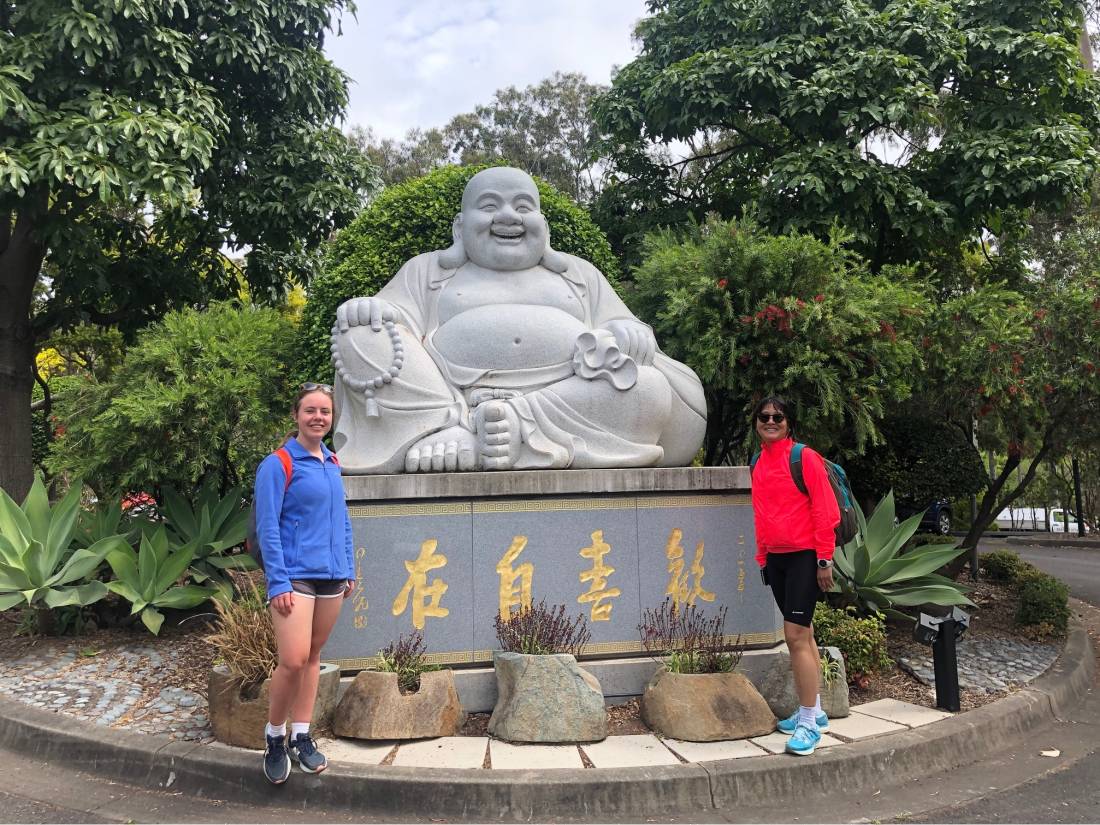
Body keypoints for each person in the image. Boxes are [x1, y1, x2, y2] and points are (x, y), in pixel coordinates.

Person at [329, 166, 707, 474]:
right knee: (361, 334)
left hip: (565, 401)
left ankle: (514, 424)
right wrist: (371, 309)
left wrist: (627, 331)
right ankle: (444, 429)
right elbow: (393, 320)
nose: (508, 216)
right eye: (490, 205)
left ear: (544, 226)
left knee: (650, 386)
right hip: (449, 396)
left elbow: (623, 328)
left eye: (523, 206)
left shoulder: (578, 274)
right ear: (460, 228)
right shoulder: (426, 272)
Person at [253, 382, 355, 784]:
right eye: (310, 410)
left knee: (313, 657)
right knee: (293, 659)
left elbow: (342, 520)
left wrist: (347, 567)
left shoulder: (331, 462)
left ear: (331, 419)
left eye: (325, 412)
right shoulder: (278, 463)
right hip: (295, 576)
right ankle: (274, 736)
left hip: (331, 577)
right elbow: (267, 527)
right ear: (296, 415)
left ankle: (302, 735)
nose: (318, 417)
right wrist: (276, 582)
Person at [750, 396, 840, 756]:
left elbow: (825, 511)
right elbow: (760, 513)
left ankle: (807, 725)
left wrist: (824, 559)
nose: (771, 421)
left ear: (789, 422)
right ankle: (814, 712)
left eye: (778, 417)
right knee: (806, 634)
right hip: (776, 559)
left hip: (805, 556)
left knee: (795, 636)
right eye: (764, 416)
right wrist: (761, 557)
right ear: (756, 422)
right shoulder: (757, 462)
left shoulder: (804, 458)